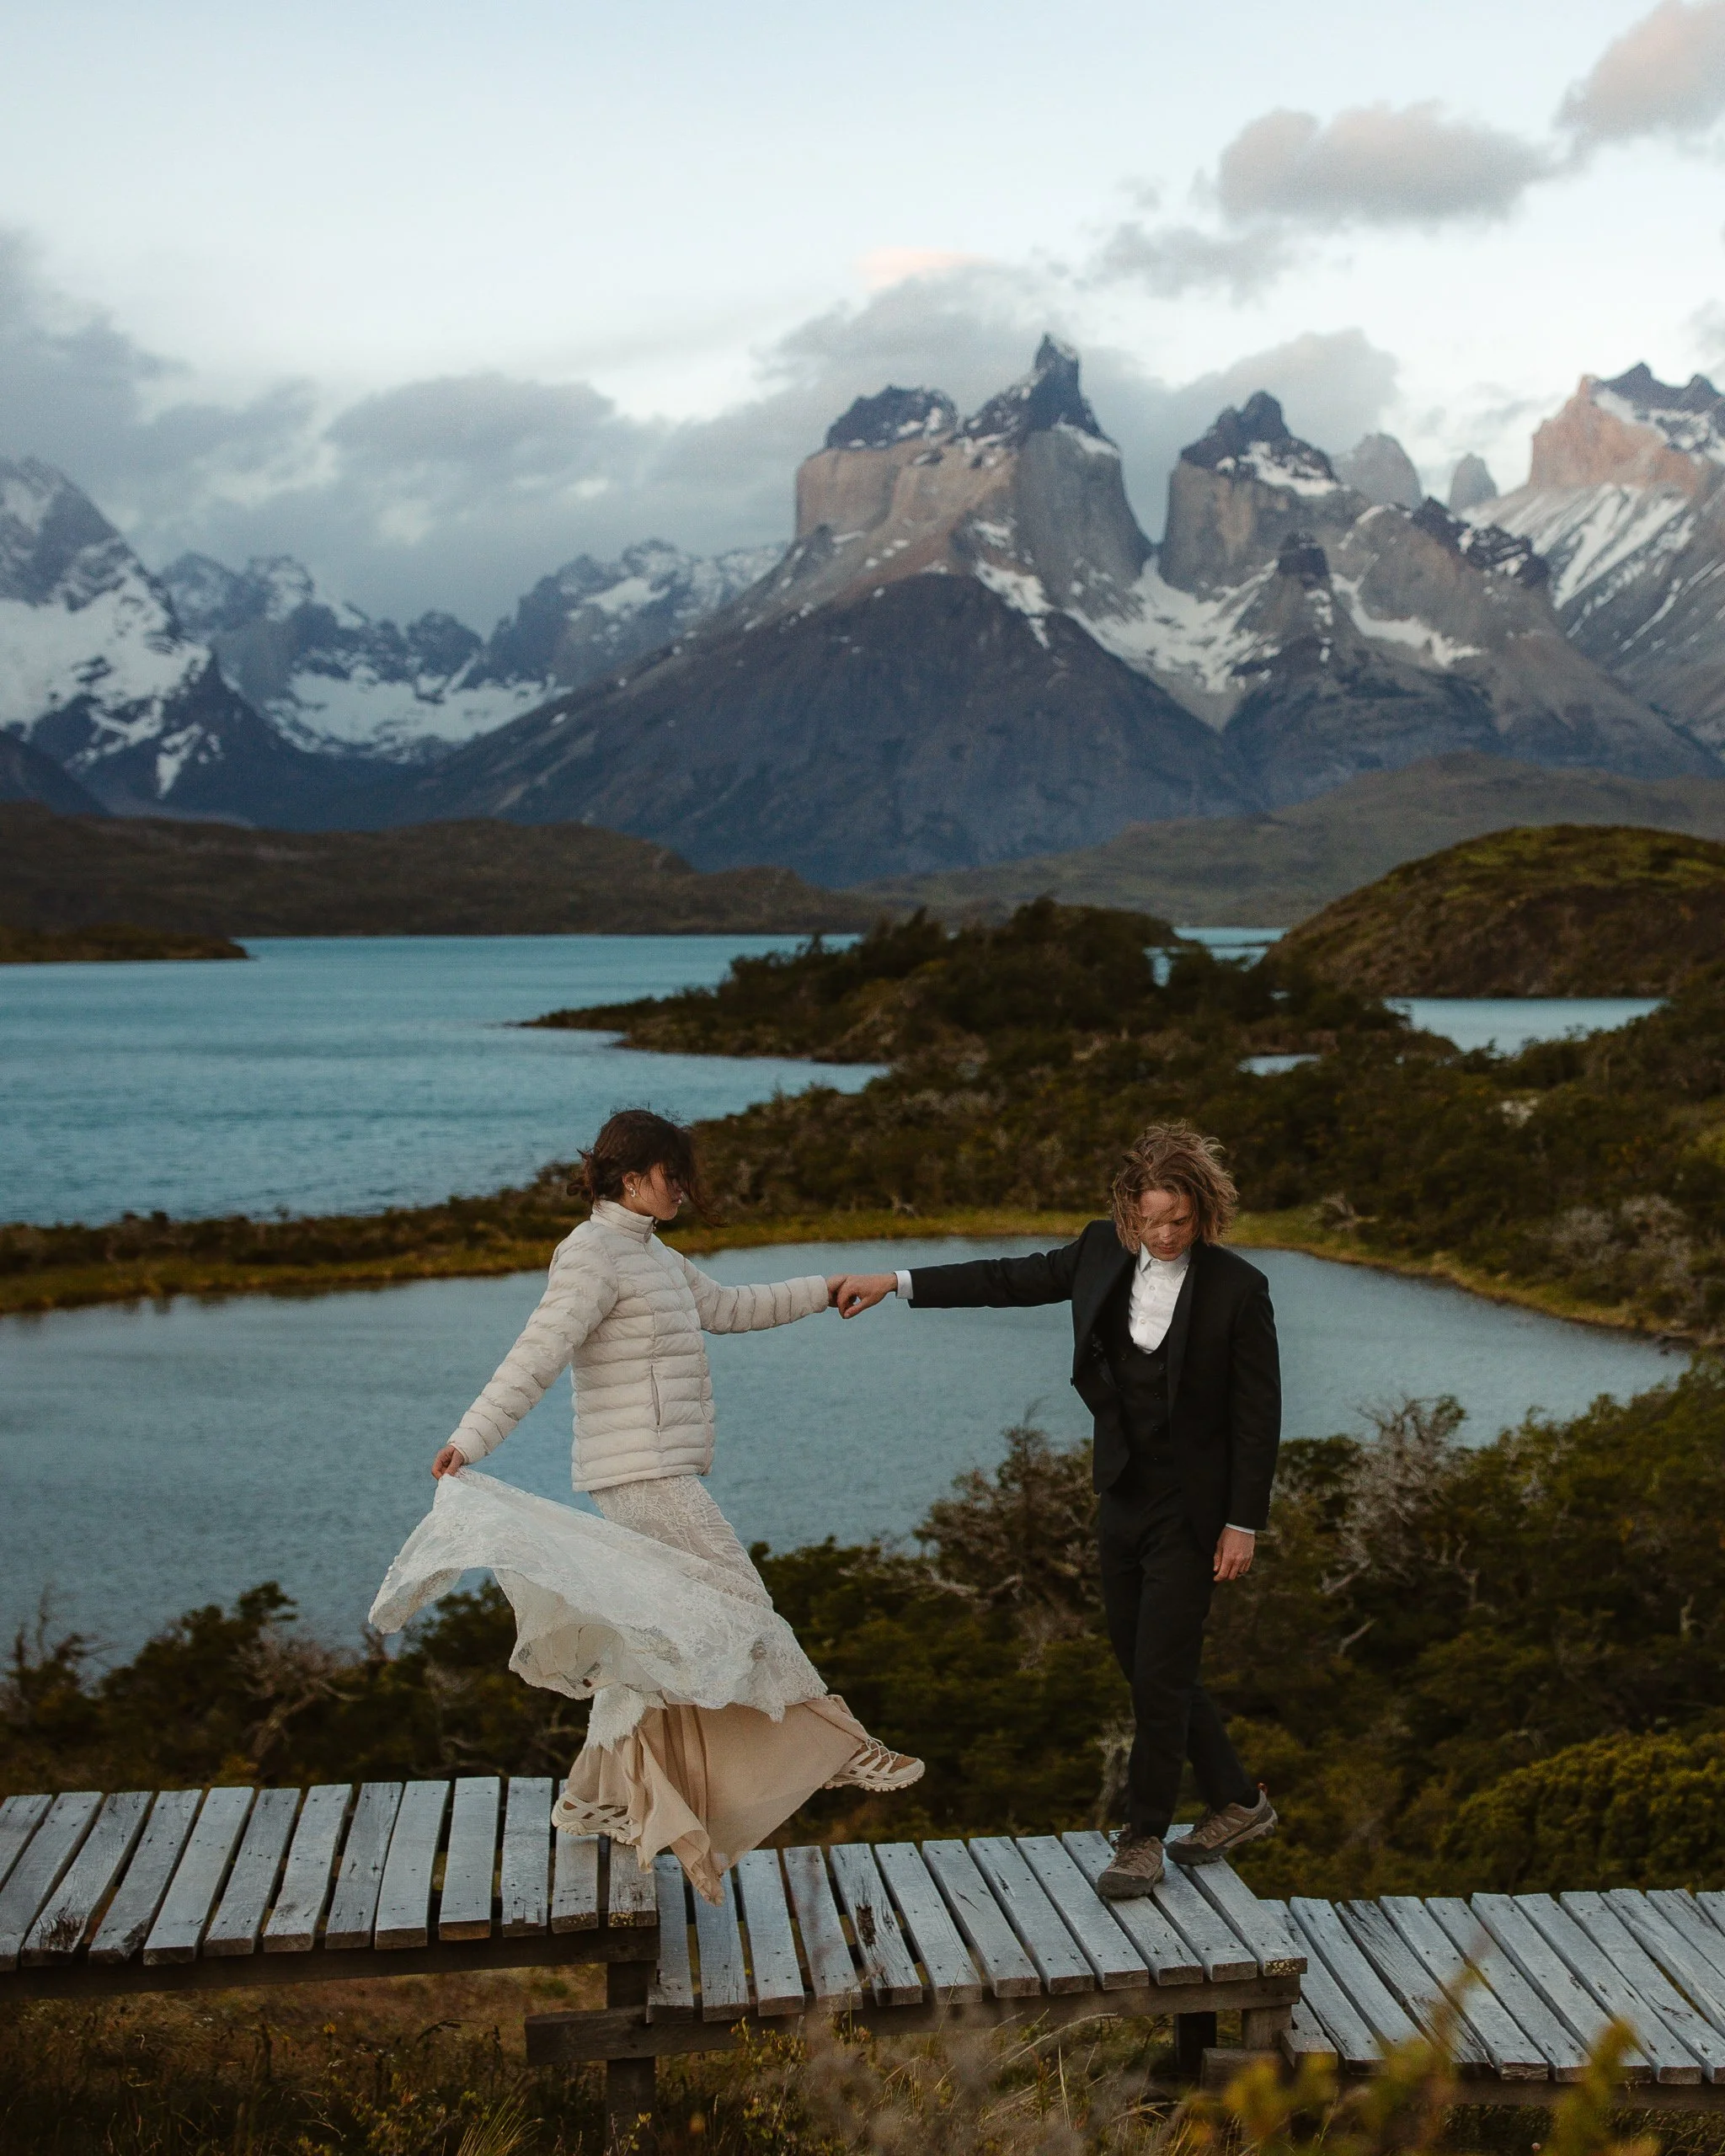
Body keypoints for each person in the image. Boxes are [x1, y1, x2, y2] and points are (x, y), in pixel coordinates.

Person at [371, 1108, 921, 1905]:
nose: (684, 1191)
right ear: (630, 1180)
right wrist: (471, 1439)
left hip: (656, 1468)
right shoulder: (592, 1255)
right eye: (673, 1178)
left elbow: (729, 1309)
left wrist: (823, 1289)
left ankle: (594, 1798)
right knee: (741, 1602)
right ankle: (838, 1746)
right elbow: (538, 1352)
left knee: (656, 1636)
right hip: (640, 1475)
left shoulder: (653, 1254)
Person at [829, 1122, 1279, 1900]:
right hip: (1123, 1494)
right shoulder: (1100, 1251)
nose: (1166, 1236)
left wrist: (1245, 1522)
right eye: (1153, 1221)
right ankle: (1237, 1800)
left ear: (1203, 1214)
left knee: (1161, 1673)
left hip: (1196, 1510)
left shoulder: (1239, 1288)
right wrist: (896, 1280)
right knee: (1145, 1664)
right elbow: (1007, 1278)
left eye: (1180, 1221)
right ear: (1129, 1214)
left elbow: (1257, 1414)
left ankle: (1144, 1837)